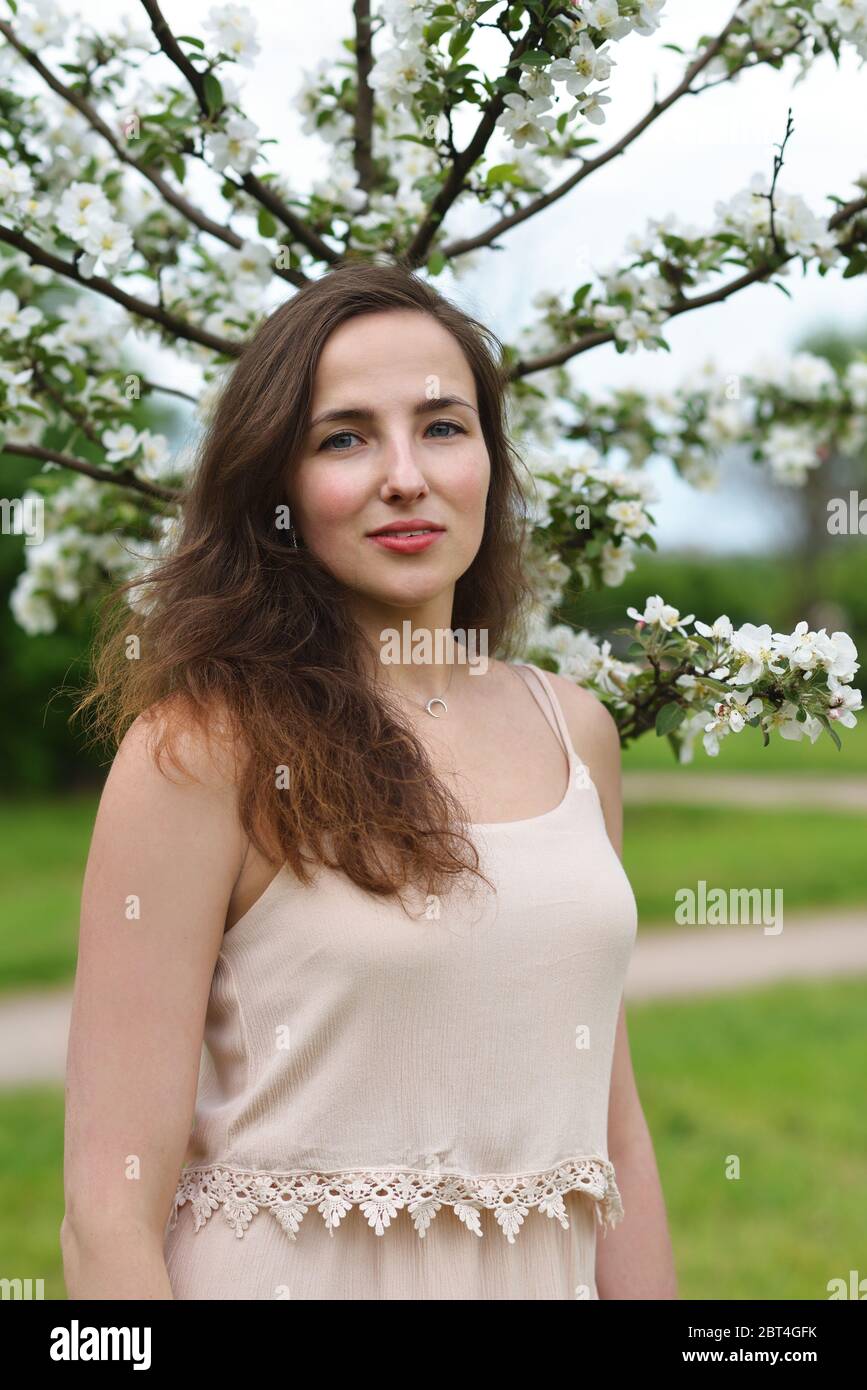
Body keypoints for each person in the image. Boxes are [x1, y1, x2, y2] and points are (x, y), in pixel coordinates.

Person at [60, 261, 677, 1300]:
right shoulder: (204, 749)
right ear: (277, 487)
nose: (406, 474)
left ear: (489, 456)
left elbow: (609, 1139)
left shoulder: (574, 731)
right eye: (344, 437)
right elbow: (106, 1216)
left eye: (443, 426)